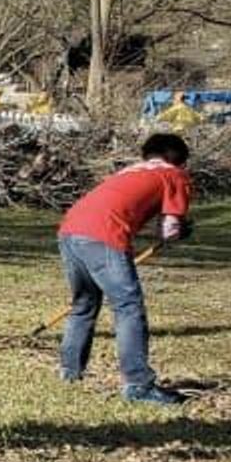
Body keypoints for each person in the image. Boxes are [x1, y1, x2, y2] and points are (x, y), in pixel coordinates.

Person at [56, 132, 193, 406]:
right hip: (104, 235)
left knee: (83, 304)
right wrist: (180, 231)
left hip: (69, 230)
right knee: (128, 307)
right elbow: (169, 229)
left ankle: (69, 372)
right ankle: (138, 385)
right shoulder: (174, 175)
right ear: (179, 159)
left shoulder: (130, 171)